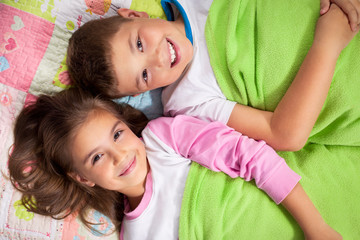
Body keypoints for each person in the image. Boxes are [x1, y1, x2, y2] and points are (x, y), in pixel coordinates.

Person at [8, 88, 341, 239]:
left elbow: (251, 158)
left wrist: (317, 228)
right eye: (97, 157)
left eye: (118, 134)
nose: (120, 155)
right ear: (82, 178)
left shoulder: (163, 138)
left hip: (307, 215)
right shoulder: (135, 234)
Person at [66, 0, 360, 152]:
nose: (156, 58)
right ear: (138, 93)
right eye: (144, 75)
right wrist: (327, 45)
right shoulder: (188, 100)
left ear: (134, 16)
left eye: (139, 43)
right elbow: (285, 134)